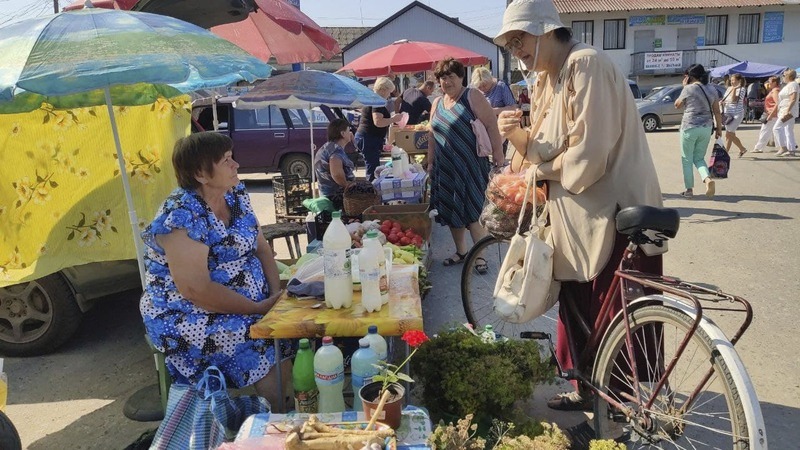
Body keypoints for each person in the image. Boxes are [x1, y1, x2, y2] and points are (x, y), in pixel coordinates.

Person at [495, 0, 664, 411]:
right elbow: (537, 152)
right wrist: (515, 135)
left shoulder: (585, 65)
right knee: (577, 303)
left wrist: (541, 171)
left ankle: (624, 406)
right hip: (571, 216)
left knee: (616, 314)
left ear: (548, 30)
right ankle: (587, 388)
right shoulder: (545, 79)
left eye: (521, 37)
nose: (516, 48)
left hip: (613, 213)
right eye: (510, 42)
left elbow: (588, 160)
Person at [139, 132, 291, 409]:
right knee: (258, 335)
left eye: (232, 158)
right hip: (186, 313)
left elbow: (261, 247)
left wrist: (274, 294)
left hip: (249, 302)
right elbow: (195, 289)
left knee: (290, 325)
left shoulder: (235, 196)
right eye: (226, 161)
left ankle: (284, 408)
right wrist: (258, 310)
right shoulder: (181, 215)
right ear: (200, 174)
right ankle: (275, 420)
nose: (235, 165)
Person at [427, 57, 504, 271]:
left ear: (461, 76)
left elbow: (491, 126)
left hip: (470, 165)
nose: (447, 81)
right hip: (446, 168)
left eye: (451, 76)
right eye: (442, 77)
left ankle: (479, 256)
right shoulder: (437, 103)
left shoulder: (472, 96)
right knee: (453, 212)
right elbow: (432, 134)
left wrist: (499, 155)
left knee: (473, 212)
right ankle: (462, 252)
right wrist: (431, 161)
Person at [674, 64, 723, 198]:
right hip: (706, 127)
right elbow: (717, 112)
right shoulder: (712, 89)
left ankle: (689, 190)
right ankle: (707, 179)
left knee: (687, 159)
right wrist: (719, 128)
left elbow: (677, 105)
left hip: (689, 127)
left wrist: (684, 88)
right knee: (699, 158)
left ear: (690, 76)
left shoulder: (688, 89)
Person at [355, 77, 404, 181]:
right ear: (383, 90)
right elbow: (378, 122)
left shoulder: (373, 99)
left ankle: (372, 191)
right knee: (373, 169)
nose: (389, 95)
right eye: (389, 92)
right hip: (369, 138)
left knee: (373, 166)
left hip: (368, 137)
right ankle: (371, 192)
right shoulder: (377, 101)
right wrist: (393, 119)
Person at [315, 118, 356, 210]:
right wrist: (346, 184)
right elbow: (336, 174)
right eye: (348, 130)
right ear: (342, 133)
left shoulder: (328, 147)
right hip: (336, 196)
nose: (350, 133)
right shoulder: (336, 151)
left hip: (329, 193)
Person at [720, 73, 748, 157]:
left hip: (736, 114)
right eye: (731, 80)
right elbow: (726, 99)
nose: (732, 82)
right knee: (731, 134)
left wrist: (735, 89)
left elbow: (734, 100)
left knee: (729, 134)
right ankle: (741, 149)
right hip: (727, 113)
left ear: (739, 81)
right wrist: (722, 102)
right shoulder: (729, 88)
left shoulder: (742, 89)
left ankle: (726, 152)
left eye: (734, 80)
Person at [752, 76, 781, 153]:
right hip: (772, 114)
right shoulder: (773, 90)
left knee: (765, 130)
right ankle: (783, 147)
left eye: (770, 81)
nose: (768, 83)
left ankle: (758, 147)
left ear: (774, 82)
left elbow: (777, 103)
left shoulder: (775, 91)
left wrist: (771, 115)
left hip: (772, 114)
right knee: (774, 130)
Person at [774, 69, 798, 157]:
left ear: (789, 76)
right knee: (788, 130)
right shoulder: (790, 85)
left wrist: (787, 110)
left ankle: (783, 147)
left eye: (784, 75)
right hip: (786, 110)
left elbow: (793, 98)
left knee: (776, 128)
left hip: (788, 112)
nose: (783, 77)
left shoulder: (792, 85)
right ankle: (791, 150)